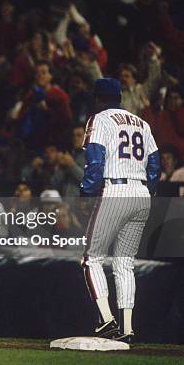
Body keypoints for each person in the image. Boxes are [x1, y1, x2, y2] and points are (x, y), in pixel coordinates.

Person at [80, 78, 160, 343]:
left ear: (97, 98)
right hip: (141, 193)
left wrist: (86, 193)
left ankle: (106, 320)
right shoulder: (142, 123)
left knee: (91, 259)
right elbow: (155, 164)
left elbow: (94, 161)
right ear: (120, 96)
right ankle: (127, 328)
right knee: (124, 264)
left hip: (115, 190)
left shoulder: (99, 120)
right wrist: (148, 190)